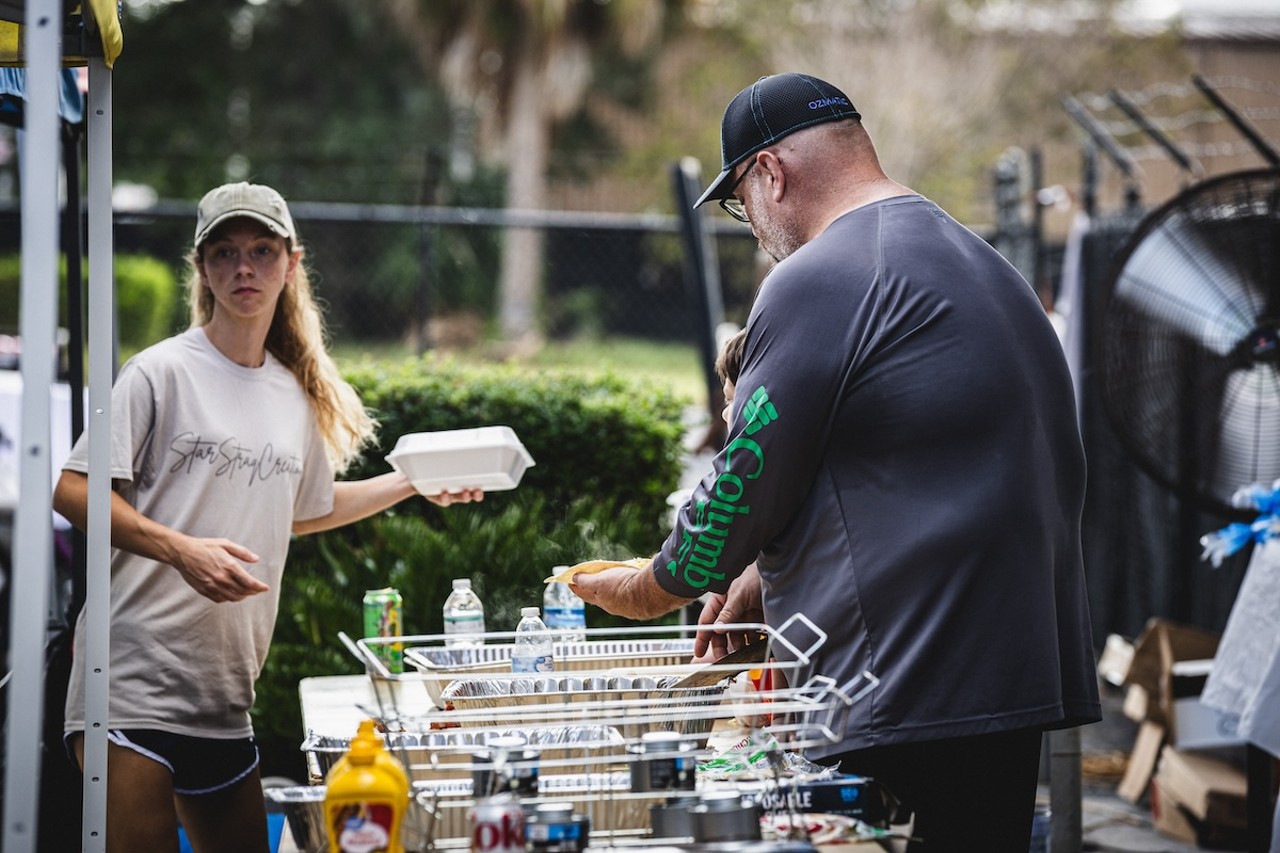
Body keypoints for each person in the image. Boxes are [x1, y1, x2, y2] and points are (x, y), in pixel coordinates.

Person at [572, 73, 1101, 851]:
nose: (750, 224)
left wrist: (648, 587)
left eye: (738, 200)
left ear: (771, 174)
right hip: (1011, 671)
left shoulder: (817, 278)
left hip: (905, 682)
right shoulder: (980, 263)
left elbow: (736, 488)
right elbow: (906, 462)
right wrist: (760, 582)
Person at [52, 181, 483, 852]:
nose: (243, 268)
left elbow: (304, 510)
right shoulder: (158, 373)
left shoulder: (291, 392)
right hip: (130, 686)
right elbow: (73, 491)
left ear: (291, 263)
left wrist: (412, 483)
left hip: (224, 699)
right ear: (201, 268)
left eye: (260, 250)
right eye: (224, 253)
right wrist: (181, 549)